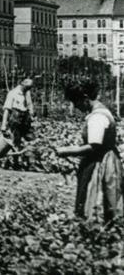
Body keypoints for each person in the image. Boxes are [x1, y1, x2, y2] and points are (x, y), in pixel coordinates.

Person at [56, 79, 123, 222]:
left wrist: (66, 151)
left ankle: (95, 228)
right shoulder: (103, 111)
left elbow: (94, 146)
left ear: (85, 98)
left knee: (96, 196)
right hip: (108, 159)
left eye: (76, 102)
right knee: (107, 197)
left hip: (101, 163)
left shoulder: (97, 117)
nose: (75, 106)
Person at [1, 78, 35, 168]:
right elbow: (7, 110)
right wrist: (3, 125)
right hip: (16, 119)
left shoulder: (27, 92)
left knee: (32, 139)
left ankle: (31, 163)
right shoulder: (12, 93)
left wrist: (32, 116)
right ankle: (15, 163)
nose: (28, 90)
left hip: (26, 119)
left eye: (29, 88)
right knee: (16, 142)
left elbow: (30, 105)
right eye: (27, 87)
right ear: (22, 84)